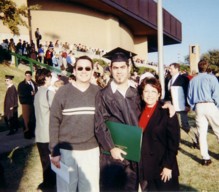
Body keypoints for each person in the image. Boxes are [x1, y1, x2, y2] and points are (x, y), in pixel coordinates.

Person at [94, 47, 175, 191]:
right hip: (115, 155)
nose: (119, 71)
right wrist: (111, 147)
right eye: (115, 68)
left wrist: (166, 104)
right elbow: (99, 125)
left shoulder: (136, 92)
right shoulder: (103, 95)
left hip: (138, 152)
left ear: (129, 68)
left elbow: (151, 103)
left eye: (122, 67)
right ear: (110, 69)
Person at [49, 55, 100, 192]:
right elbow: (54, 121)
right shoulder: (62, 92)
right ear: (75, 71)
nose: (84, 71)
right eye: (80, 68)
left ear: (92, 71)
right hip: (67, 151)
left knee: (91, 189)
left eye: (87, 68)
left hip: (91, 151)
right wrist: (54, 150)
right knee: (66, 189)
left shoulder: (99, 92)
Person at [138, 77, 180, 191]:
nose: (149, 95)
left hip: (163, 166)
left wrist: (168, 166)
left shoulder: (167, 112)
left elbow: (174, 142)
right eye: (146, 91)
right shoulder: (139, 110)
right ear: (142, 94)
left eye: (153, 91)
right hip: (147, 166)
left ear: (158, 94)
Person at [187, 59, 219, 166]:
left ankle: (205, 158)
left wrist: (194, 106)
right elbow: (216, 94)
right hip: (210, 104)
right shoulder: (212, 78)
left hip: (199, 106)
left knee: (202, 133)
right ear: (208, 67)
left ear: (198, 67)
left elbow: (189, 96)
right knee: (218, 130)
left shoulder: (193, 80)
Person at [164, 63, 199, 148]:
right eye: (169, 68)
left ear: (177, 69)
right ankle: (176, 143)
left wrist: (187, 104)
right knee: (174, 126)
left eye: (171, 68)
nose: (169, 70)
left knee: (184, 125)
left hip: (181, 106)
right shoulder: (168, 79)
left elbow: (187, 92)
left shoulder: (184, 79)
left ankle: (196, 138)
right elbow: (167, 93)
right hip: (172, 107)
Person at [34, 68, 56, 190]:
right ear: (46, 78)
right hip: (49, 134)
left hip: (39, 134)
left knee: (44, 161)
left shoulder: (37, 94)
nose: (51, 79)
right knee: (52, 161)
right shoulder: (49, 93)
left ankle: (47, 183)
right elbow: (57, 113)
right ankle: (50, 184)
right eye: (50, 76)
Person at [18, 71, 38, 139]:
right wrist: (30, 94)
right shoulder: (22, 84)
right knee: (26, 119)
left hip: (33, 103)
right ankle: (27, 134)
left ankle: (32, 132)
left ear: (31, 76)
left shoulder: (34, 83)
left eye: (29, 75)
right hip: (26, 103)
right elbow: (21, 94)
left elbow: (36, 91)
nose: (27, 77)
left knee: (33, 118)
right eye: (26, 75)